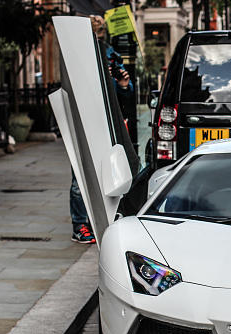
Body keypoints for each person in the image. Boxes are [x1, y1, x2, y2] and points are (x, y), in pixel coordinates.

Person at [69, 15, 133, 244]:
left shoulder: (110, 55)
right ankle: (80, 225)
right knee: (80, 176)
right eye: (93, 32)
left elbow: (126, 95)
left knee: (108, 172)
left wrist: (123, 85)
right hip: (82, 120)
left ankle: (102, 218)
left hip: (105, 121)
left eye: (99, 32)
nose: (97, 37)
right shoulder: (74, 55)